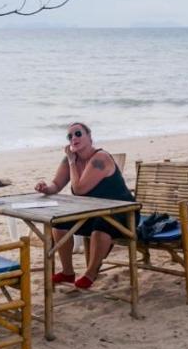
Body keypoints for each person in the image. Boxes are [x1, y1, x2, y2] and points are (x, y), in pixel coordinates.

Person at [34, 122, 134, 290]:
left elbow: (79, 189)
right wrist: (45, 188)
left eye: (78, 134)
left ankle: (91, 273)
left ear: (89, 137)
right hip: (93, 211)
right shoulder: (70, 159)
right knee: (59, 223)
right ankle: (67, 271)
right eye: (70, 136)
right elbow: (57, 185)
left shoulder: (100, 158)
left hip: (123, 211)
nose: (74, 138)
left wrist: (73, 162)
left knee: (101, 225)